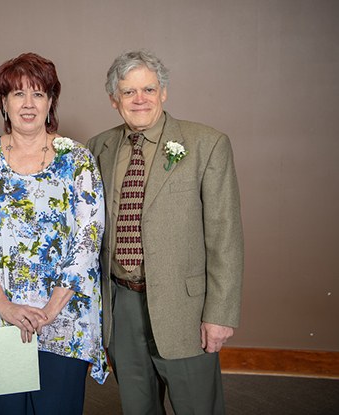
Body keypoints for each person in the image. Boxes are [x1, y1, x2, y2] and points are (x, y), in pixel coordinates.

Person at [87, 50, 244, 414]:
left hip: (184, 308)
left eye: (149, 89)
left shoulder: (206, 144)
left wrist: (220, 314)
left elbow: (226, 237)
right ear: (114, 99)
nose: (140, 99)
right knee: (138, 406)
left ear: (164, 92)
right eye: (128, 92)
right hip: (121, 304)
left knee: (197, 408)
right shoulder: (99, 149)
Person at [0, 52, 108, 415]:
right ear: (3, 102)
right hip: (3, 317)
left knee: (56, 410)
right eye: (18, 94)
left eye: (38, 94)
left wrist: (52, 308)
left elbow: (89, 236)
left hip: (64, 317)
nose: (28, 104)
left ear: (51, 101)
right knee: (12, 412)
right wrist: (6, 307)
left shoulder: (78, 159)